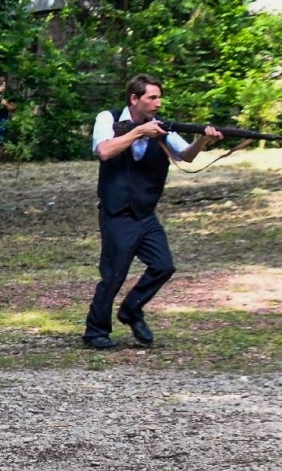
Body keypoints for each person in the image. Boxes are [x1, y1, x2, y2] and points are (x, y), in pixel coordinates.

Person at [83, 74, 220, 350]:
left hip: (145, 213)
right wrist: (138, 132)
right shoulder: (108, 118)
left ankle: (131, 309)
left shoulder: (162, 127)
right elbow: (104, 151)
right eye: (152, 98)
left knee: (163, 265)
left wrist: (203, 140)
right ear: (135, 99)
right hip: (117, 211)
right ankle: (95, 331)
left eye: (159, 97)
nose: (158, 103)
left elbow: (186, 156)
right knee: (114, 274)